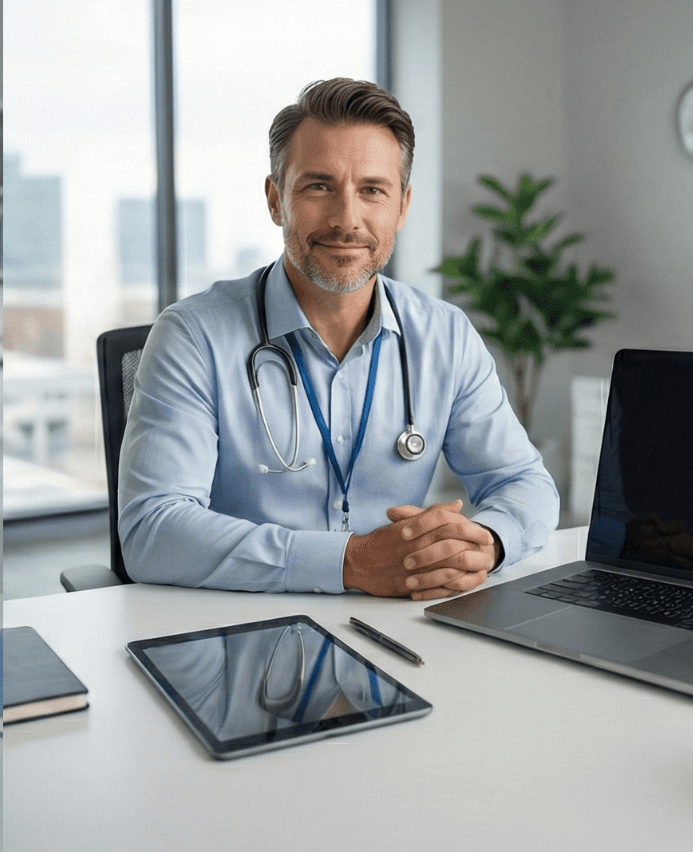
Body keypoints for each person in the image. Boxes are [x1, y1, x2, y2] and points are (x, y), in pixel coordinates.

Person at [119, 78, 558, 599]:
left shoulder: (444, 336)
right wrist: (350, 562)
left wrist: (485, 542)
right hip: (241, 629)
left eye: (372, 190)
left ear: (402, 205)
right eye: (318, 186)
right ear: (276, 199)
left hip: (404, 623)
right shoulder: (193, 336)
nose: (347, 219)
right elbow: (152, 530)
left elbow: (525, 484)